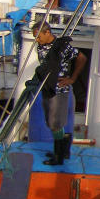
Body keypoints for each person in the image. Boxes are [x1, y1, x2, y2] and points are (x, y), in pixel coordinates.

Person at [31, 22, 87, 166]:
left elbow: (81, 58)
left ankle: (58, 156)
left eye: (38, 37)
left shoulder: (62, 47)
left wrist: (72, 78)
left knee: (55, 123)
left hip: (59, 89)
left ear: (47, 32)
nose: (37, 40)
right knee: (50, 122)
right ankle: (64, 150)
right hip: (47, 88)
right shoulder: (41, 46)